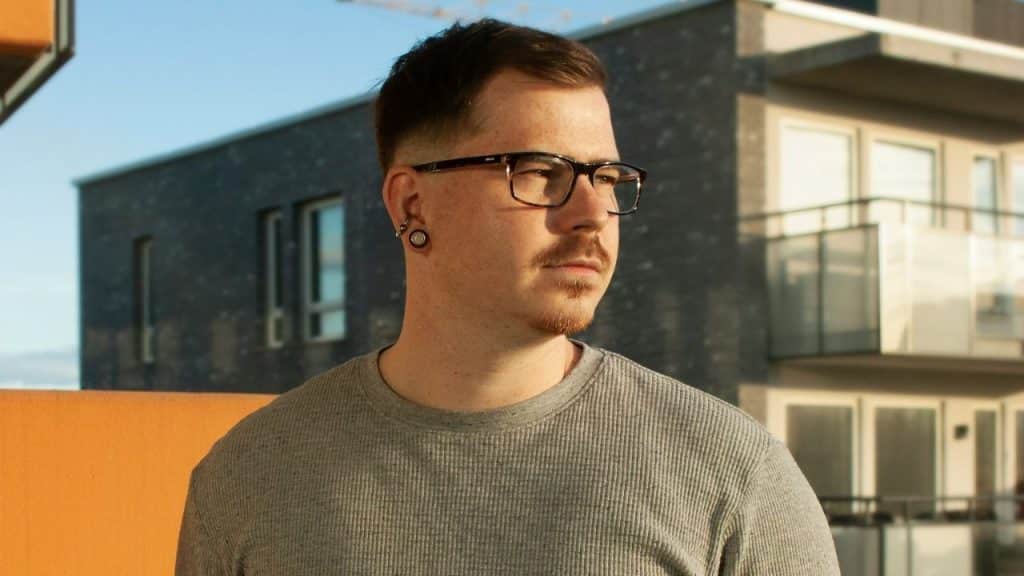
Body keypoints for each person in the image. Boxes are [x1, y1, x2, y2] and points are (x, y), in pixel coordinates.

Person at [175, 19, 840, 575]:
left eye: (607, 177)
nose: (591, 213)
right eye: (541, 173)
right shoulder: (251, 476)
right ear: (411, 202)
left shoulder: (733, 472)